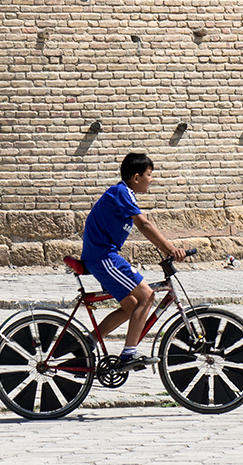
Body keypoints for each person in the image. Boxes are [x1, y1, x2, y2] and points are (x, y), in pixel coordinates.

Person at [82, 151, 184, 370]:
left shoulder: (124, 194)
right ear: (136, 177)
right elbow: (144, 225)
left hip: (102, 256)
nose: (152, 179)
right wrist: (170, 248)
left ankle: (85, 343)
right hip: (103, 257)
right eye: (149, 174)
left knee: (131, 305)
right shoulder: (121, 192)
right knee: (147, 295)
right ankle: (129, 355)